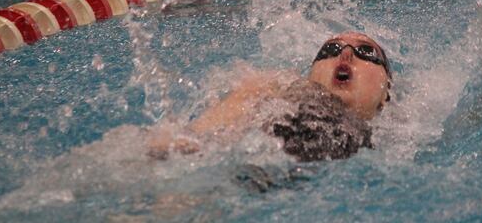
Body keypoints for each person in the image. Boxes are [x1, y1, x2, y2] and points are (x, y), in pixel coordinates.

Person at [147, 31, 393, 162]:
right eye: (331, 49)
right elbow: (196, 140)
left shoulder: (405, 136)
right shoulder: (275, 91)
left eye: (366, 51)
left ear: (386, 93)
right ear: (309, 76)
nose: (346, 55)